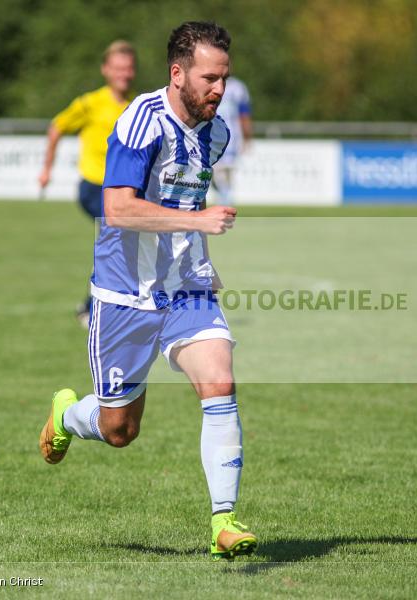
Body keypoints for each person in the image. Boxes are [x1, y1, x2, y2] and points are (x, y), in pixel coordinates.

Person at [39, 21, 257, 561]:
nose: (219, 89)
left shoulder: (216, 132)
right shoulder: (141, 122)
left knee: (220, 381)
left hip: (186, 291)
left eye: (224, 78)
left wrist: (200, 253)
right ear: (178, 73)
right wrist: (202, 223)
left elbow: (185, 208)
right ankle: (67, 416)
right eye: (209, 78)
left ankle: (223, 523)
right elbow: (117, 209)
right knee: (119, 430)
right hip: (123, 296)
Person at [38, 40, 137, 327]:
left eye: (129, 68)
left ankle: (91, 305)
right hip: (94, 187)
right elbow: (56, 127)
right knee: (117, 237)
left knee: (122, 242)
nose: (124, 74)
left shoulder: (139, 105)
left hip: (124, 190)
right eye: (118, 68)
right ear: (106, 69)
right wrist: (47, 169)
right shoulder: (90, 102)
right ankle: (95, 308)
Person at [211, 76, 252, 205]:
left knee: (226, 172)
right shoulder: (209, 84)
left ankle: (225, 201)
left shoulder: (237, 87)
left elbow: (244, 114)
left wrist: (247, 136)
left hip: (232, 137)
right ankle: (224, 197)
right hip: (211, 135)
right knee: (212, 172)